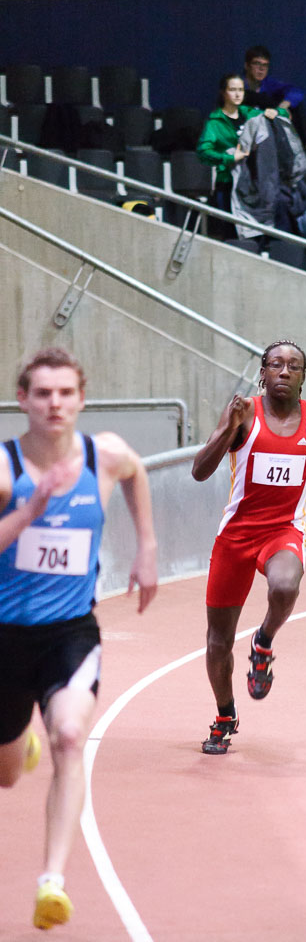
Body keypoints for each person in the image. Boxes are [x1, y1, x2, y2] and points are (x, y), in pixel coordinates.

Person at [0, 347, 157, 930]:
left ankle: (52, 882)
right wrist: (31, 509)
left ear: (81, 399)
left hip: (70, 632)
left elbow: (138, 472)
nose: (54, 404)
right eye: (42, 394)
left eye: (65, 393)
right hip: (5, 636)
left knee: (71, 735)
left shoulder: (104, 455)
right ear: (23, 400)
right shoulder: (5, 468)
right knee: (7, 772)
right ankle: (21, 744)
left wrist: (147, 548)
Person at [192, 341, 306, 754]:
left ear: (303, 376)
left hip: (283, 531)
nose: (284, 370)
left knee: (284, 586)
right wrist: (227, 429)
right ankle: (225, 715)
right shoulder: (243, 414)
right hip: (236, 536)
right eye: (275, 363)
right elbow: (199, 471)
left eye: (294, 365)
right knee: (218, 642)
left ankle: (263, 640)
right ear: (263, 372)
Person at [196, 73, 288, 240]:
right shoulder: (214, 122)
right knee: (233, 235)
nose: (238, 94)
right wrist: (229, 158)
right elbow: (203, 152)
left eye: (241, 90)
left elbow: (283, 114)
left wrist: (276, 112)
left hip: (254, 185)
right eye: (233, 90)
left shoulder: (249, 113)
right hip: (228, 184)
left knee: (259, 233)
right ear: (224, 93)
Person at [242, 45, 306, 164]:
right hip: (249, 127)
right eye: (257, 64)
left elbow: (296, 92)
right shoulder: (238, 85)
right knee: (261, 98)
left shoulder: (269, 83)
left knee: (295, 104)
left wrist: (282, 107)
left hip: (271, 123)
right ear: (247, 65)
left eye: (265, 65)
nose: (261, 69)